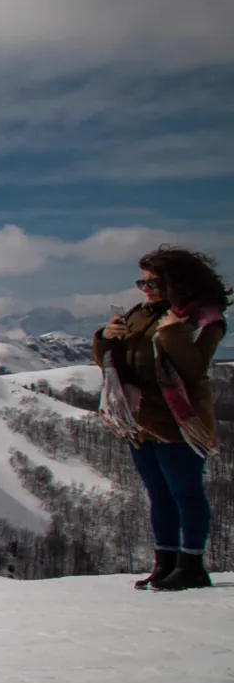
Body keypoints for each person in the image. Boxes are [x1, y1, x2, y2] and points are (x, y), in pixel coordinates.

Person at [95, 245, 225, 591]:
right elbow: (115, 362)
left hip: (179, 422)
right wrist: (105, 338)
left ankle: (192, 564)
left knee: (185, 493)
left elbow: (194, 370)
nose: (147, 289)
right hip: (140, 420)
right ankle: (165, 563)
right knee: (159, 494)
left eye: (154, 282)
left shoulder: (203, 320)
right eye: (143, 282)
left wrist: (172, 333)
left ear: (177, 282)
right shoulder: (140, 314)